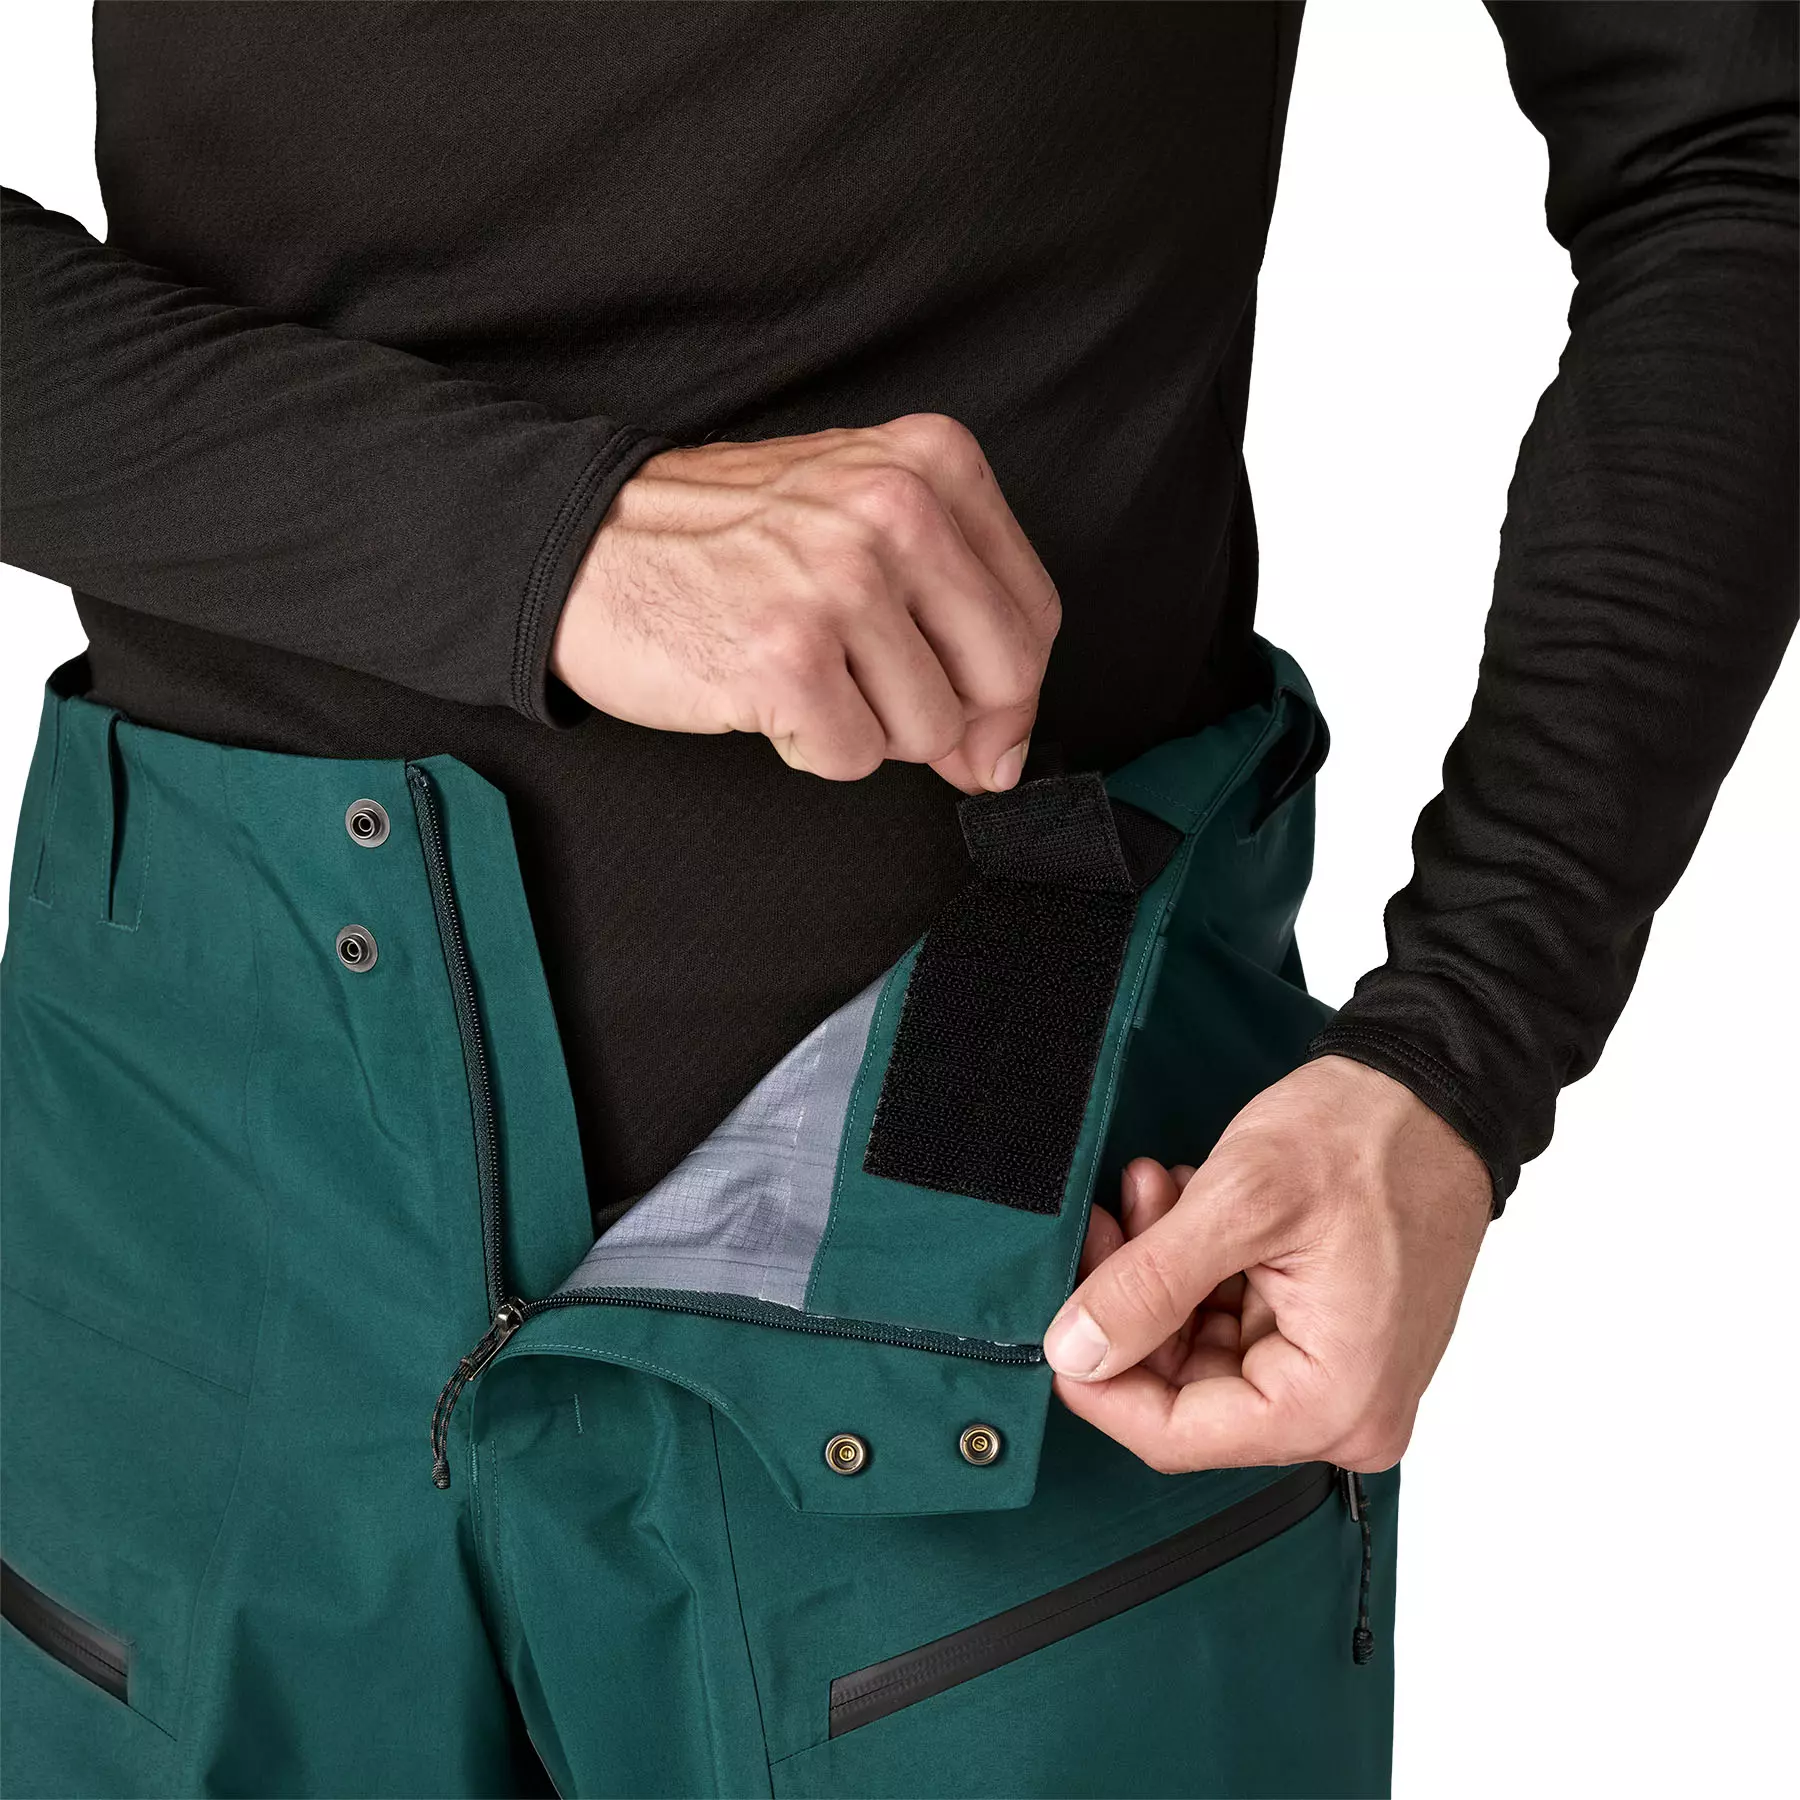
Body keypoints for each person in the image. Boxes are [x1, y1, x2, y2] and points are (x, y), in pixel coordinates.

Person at [1, 4, 1793, 1796]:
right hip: (185, 1189)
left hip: (1025, 1184)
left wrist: (1463, 1047)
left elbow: (1736, 152)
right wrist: (547, 541)